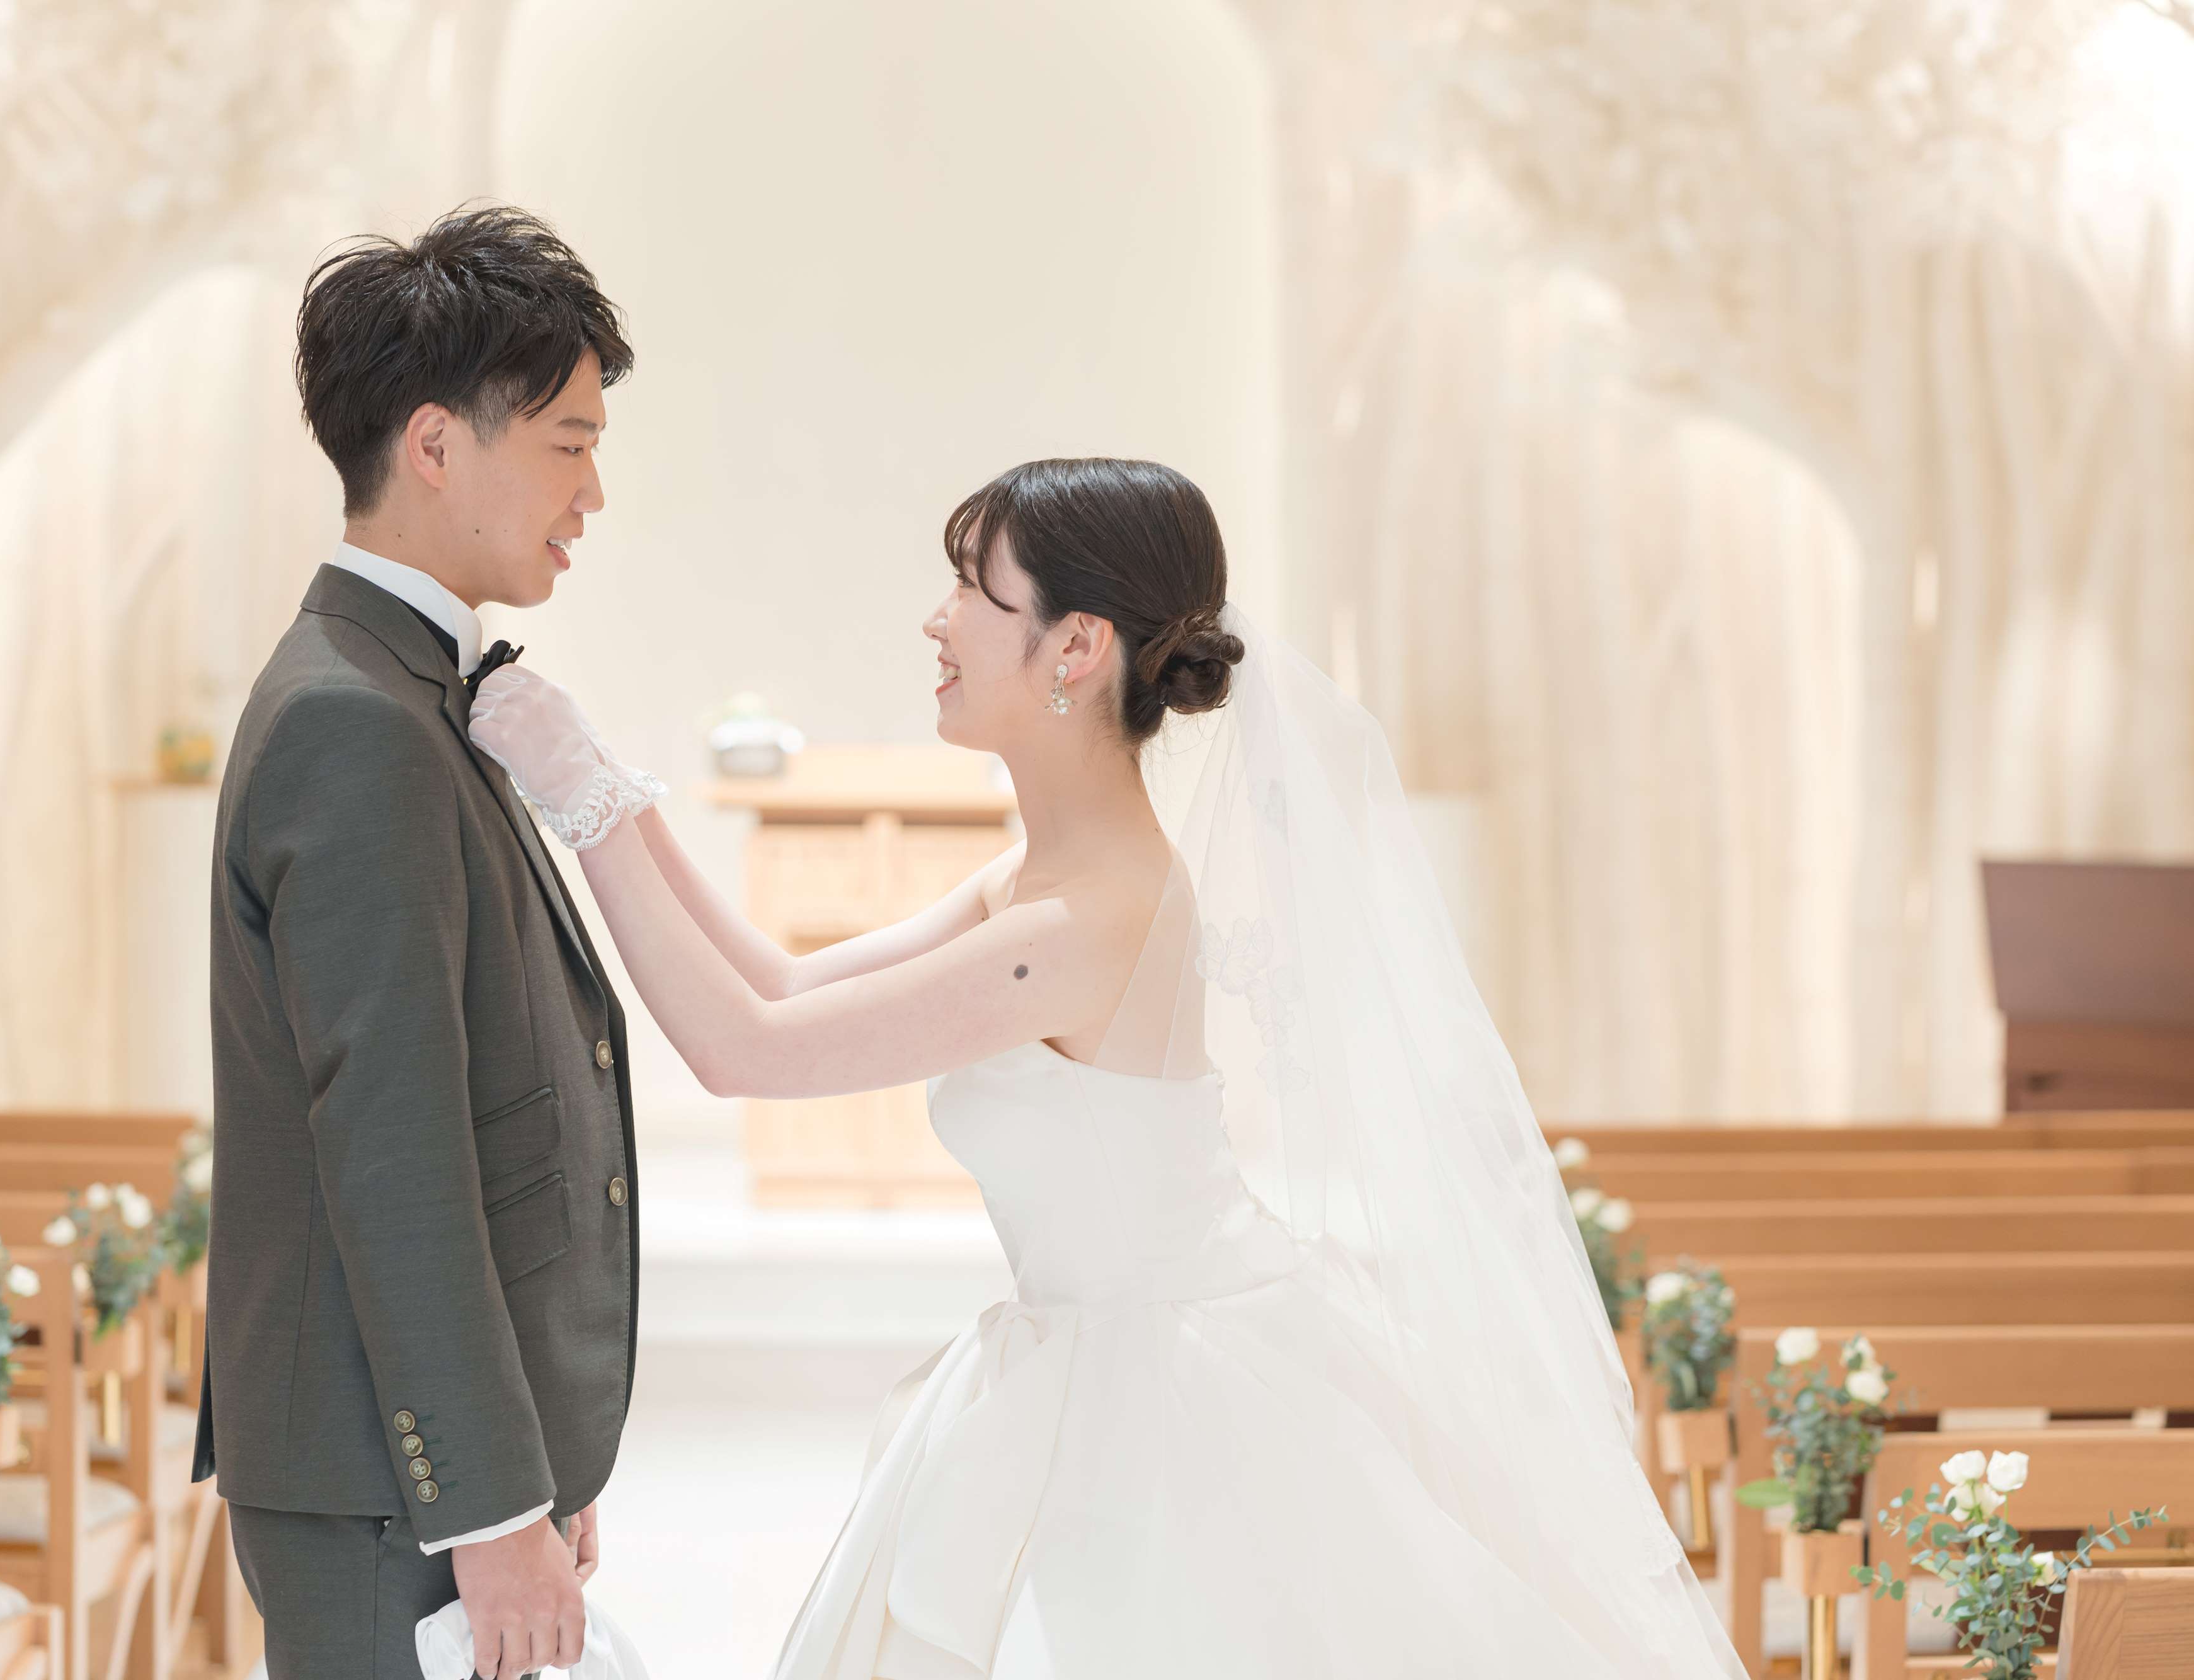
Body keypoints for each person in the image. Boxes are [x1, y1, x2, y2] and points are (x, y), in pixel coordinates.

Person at [469, 457, 1749, 1677]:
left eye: (973, 590)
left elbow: (744, 1051)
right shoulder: (1040, 879)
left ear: (1074, 646)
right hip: (1095, 1352)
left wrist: (580, 798)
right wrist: (615, 792)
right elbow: (785, 985)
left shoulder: (1086, 921)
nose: (936, 620)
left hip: (1170, 1390)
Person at [198, 204, 648, 1680]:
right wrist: (491, 1499)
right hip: (381, 1483)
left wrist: (536, 1454)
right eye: (570, 443)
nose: (591, 491)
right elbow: (393, 1147)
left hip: (413, 1472)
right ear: (437, 444)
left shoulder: (400, 685)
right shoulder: (355, 719)